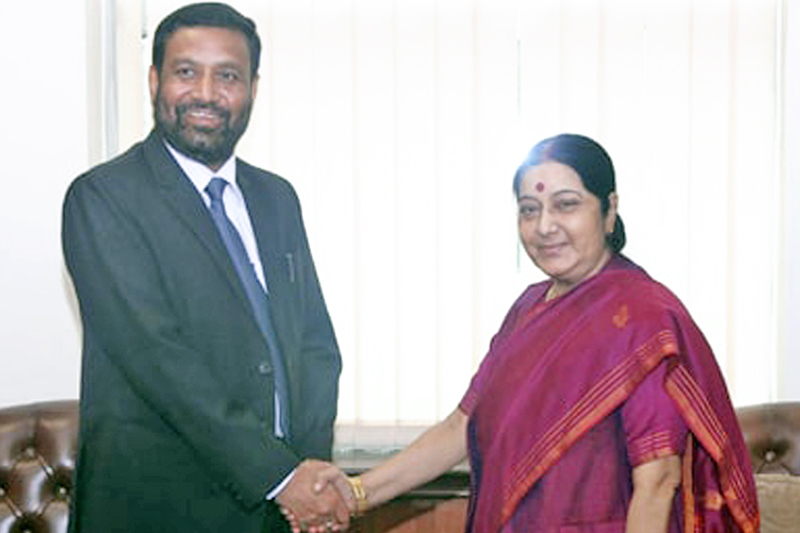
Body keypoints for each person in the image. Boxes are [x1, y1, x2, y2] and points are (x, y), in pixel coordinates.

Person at [306, 134, 760, 533]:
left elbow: (657, 483)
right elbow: (461, 426)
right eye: (529, 210)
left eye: (566, 204)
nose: (544, 227)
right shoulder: (528, 307)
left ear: (609, 210)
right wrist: (357, 492)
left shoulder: (641, 320)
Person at [62, 3, 348, 532]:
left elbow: (315, 346)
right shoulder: (104, 198)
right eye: (186, 71)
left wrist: (305, 474)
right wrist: (282, 476)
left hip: (276, 512)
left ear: (253, 89)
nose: (206, 94)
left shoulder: (276, 198)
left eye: (228, 76)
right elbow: (158, 358)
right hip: (158, 512)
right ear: (154, 80)